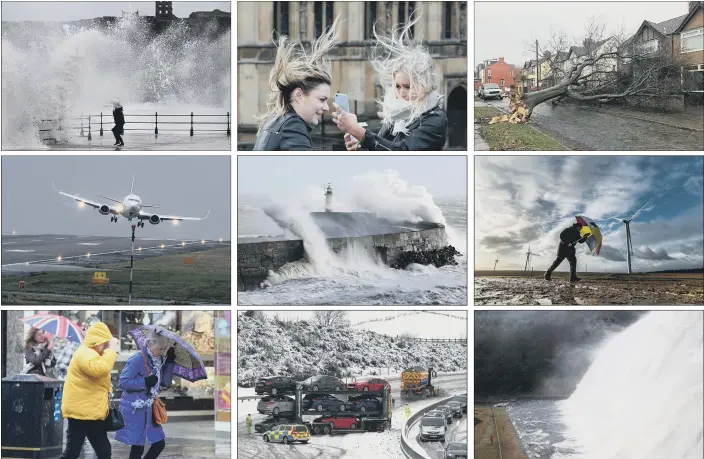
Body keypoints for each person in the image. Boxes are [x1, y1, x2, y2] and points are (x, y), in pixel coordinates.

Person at [332, 14, 447, 151]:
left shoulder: (435, 120)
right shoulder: (396, 113)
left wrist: (358, 131)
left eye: (408, 87)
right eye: (397, 86)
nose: (401, 93)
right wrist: (360, 146)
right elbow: (383, 151)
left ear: (424, 85)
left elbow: (401, 152)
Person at [252, 18, 341, 150]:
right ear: (298, 95)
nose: (327, 108)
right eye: (322, 99)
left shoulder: (275, 120)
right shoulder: (292, 126)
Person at [58, 322, 119, 459]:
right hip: (80, 413)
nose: (106, 347)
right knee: (72, 453)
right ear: (97, 341)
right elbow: (100, 369)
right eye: (105, 343)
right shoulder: (84, 353)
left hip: (92, 412)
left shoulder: (94, 353)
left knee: (104, 451)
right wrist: (112, 350)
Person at [115, 330, 176, 459]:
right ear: (149, 344)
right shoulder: (137, 359)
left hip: (149, 409)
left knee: (158, 443)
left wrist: (170, 363)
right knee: (138, 446)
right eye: (160, 349)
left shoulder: (158, 360)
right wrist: (145, 382)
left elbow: (165, 382)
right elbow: (123, 382)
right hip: (135, 409)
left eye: (165, 349)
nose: (162, 352)